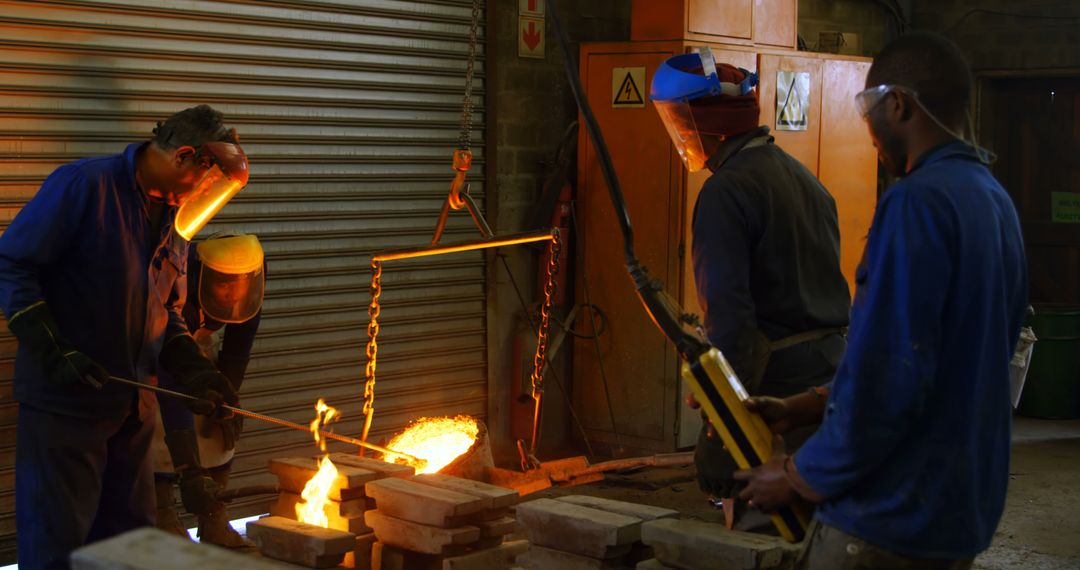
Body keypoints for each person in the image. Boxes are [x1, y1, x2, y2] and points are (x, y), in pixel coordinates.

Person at [732, 33, 1028, 569]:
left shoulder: (916, 203)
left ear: (899, 104)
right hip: (957, 511)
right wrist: (807, 405)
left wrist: (798, 475)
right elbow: (950, 357)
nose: (869, 132)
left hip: (888, 516)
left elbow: (892, 376)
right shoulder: (993, 201)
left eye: (870, 111)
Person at [0, 104, 250, 568]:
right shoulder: (84, 187)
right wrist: (53, 350)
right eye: (205, 181)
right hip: (67, 409)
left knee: (129, 548)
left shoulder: (173, 221)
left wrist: (196, 371)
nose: (201, 197)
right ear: (184, 158)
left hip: (132, 415)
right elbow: (12, 263)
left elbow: (164, 311)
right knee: (61, 549)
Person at [649, 49, 852, 524]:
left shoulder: (725, 192)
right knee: (816, 527)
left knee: (765, 529)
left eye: (679, 120)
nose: (678, 133)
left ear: (705, 120)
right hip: (828, 378)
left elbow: (732, 327)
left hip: (775, 389)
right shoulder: (804, 178)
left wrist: (722, 424)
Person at [154, 233, 265, 547]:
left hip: (200, 351)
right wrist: (188, 465)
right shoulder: (176, 286)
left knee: (218, 425)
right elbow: (170, 376)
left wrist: (227, 399)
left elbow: (238, 347)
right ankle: (163, 516)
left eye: (240, 285)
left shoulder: (251, 287)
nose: (233, 294)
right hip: (157, 355)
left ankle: (215, 517)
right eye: (222, 285)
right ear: (201, 276)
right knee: (157, 430)